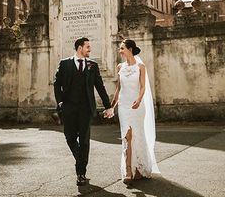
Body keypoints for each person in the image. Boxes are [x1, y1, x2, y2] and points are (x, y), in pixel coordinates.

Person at [54, 37, 114, 186]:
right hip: (69, 107)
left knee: (85, 140)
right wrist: (60, 102)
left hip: (86, 109)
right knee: (69, 137)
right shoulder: (65, 64)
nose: (89, 49)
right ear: (79, 48)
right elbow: (57, 85)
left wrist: (108, 106)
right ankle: (81, 160)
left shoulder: (92, 65)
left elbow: (100, 87)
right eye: (87, 47)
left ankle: (81, 172)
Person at [108, 39, 159, 183]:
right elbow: (118, 88)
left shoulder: (141, 67)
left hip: (137, 105)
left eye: (122, 48)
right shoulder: (120, 67)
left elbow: (143, 86)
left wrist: (139, 99)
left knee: (137, 135)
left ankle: (139, 168)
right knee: (127, 136)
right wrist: (112, 106)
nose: (120, 51)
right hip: (124, 106)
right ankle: (128, 169)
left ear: (130, 49)